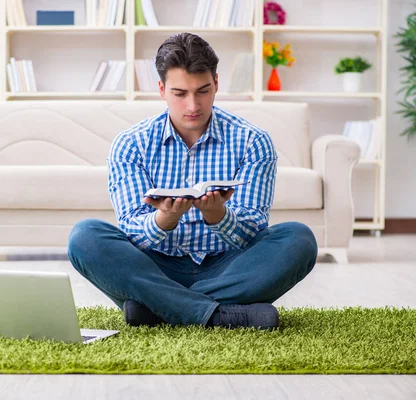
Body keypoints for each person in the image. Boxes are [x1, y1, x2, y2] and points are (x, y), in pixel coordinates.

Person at [67, 32, 317, 330]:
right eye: (180, 93)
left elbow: (253, 228)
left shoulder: (253, 141)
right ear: (161, 89)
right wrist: (164, 219)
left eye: (203, 91)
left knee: (299, 239)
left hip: (229, 268)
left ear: (216, 84)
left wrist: (218, 215)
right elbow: (132, 228)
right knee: (85, 237)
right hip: (155, 266)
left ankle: (157, 309)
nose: (192, 105)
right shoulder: (131, 144)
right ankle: (218, 315)